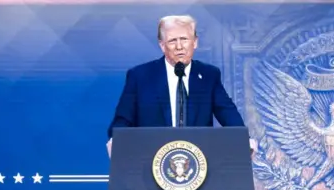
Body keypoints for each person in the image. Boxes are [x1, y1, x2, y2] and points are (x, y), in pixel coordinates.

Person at [106, 15, 255, 157]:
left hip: (198, 162)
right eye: (172, 41)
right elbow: (123, 118)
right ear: (162, 46)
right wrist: (117, 139)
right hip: (151, 161)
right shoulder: (140, 76)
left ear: (195, 42)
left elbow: (227, 112)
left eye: (184, 39)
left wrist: (243, 139)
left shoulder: (208, 75)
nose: (179, 46)